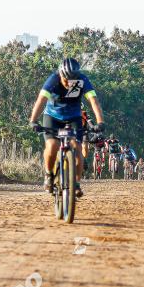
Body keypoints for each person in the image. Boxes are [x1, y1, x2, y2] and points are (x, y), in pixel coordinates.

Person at [29, 57, 104, 197]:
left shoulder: (82, 80)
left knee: (77, 146)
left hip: (74, 116)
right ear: (61, 75)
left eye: (72, 80)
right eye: (66, 80)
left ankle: (76, 183)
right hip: (53, 116)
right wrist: (33, 120)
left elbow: (93, 101)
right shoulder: (53, 79)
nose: (69, 83)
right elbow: (42, 100)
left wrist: (100, 122)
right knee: (52, 145)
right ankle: (49, 175)